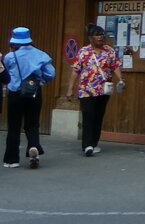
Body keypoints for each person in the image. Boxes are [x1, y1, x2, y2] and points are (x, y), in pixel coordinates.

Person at [3, 27, 55, 169]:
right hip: (34, 91)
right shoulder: (41, 55)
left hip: (15, 93)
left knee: (14, 126)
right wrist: (40, 80)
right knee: (32, 124)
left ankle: (11, 160)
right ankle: (33, 147)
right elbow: (51, 73)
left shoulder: (9, 57)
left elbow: (7, 74)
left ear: (15, 41)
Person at [67, 23, 124, 156]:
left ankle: (94, 143)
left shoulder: (109, 51)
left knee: (98, 117)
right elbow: (75, 71)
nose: (101, 37)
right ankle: (87, 145)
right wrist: (70, 88)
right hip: (86, 90)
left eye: (102, 34)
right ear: (90, 38)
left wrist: (120, 79)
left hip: (103, 90)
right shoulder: (83, 52)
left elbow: (115, 66)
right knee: (88, 115)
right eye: (97, 35)